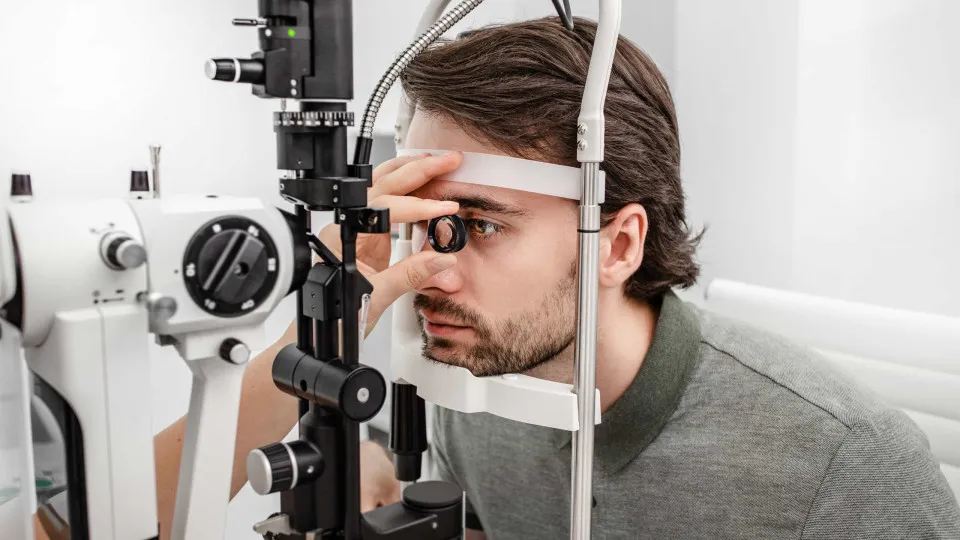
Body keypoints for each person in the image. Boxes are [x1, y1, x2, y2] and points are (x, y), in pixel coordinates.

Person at [144, 15, 960, 540]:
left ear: (617, 245)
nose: (431, 271)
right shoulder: (474, 380)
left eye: (479, 225)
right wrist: (332, 315)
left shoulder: (846, 467)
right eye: (422, 221)